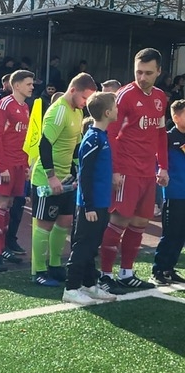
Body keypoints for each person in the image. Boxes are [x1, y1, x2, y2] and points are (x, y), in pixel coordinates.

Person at [98, 48, 169, 293]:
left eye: (148, 73)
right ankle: (105, 274)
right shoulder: (124, 95)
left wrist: (163, 167)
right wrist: (116, 170)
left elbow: (160, 134)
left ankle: (126, 273)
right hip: (127, 170)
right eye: (139, 72)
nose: (142, 77)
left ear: (159, 71)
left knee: (140, 222)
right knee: (119, 220)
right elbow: (111, 134)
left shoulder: (160, 97)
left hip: (148, 171)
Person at [30, 73, 97, 286]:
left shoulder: (77, 111)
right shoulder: (59, 111)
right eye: (85, 97)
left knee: (65, 222)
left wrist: (77, 171)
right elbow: (44, 143)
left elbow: (76, 146)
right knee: (45, 225)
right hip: (46, 180)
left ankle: (55, 265)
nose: (86, 102)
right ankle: (39, 271)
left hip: (66, 179)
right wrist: (51, 177)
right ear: (73, 90)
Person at [62, 92, 119, 304]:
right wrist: (88, 206)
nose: (118, 109)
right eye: (115, 106)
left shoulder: (102, 136)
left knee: (92, 246)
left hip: (101, 203)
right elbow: (84, 174)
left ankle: (88, 284)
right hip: (91, 205)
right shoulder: (93, 138)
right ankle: (71, 288)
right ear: (107, 112)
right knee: (83, 246)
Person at [0, 70, 34, 271]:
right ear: (17, 85)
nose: (32, 87)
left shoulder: (25, 107)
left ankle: (4, 247)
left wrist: (26, 165)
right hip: (5, 163)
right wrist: (2, 165)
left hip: (19, 164)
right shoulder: (4, 104)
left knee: (10, 205)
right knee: (1, 203)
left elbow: (25, 139)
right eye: (28, 84)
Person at [150, 99, 185, 285]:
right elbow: (157, 161)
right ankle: (158, 269)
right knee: (171, 233)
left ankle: (169, 268)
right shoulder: (167, 138)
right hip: (174, 194)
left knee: (181, 235)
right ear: (176, 117)